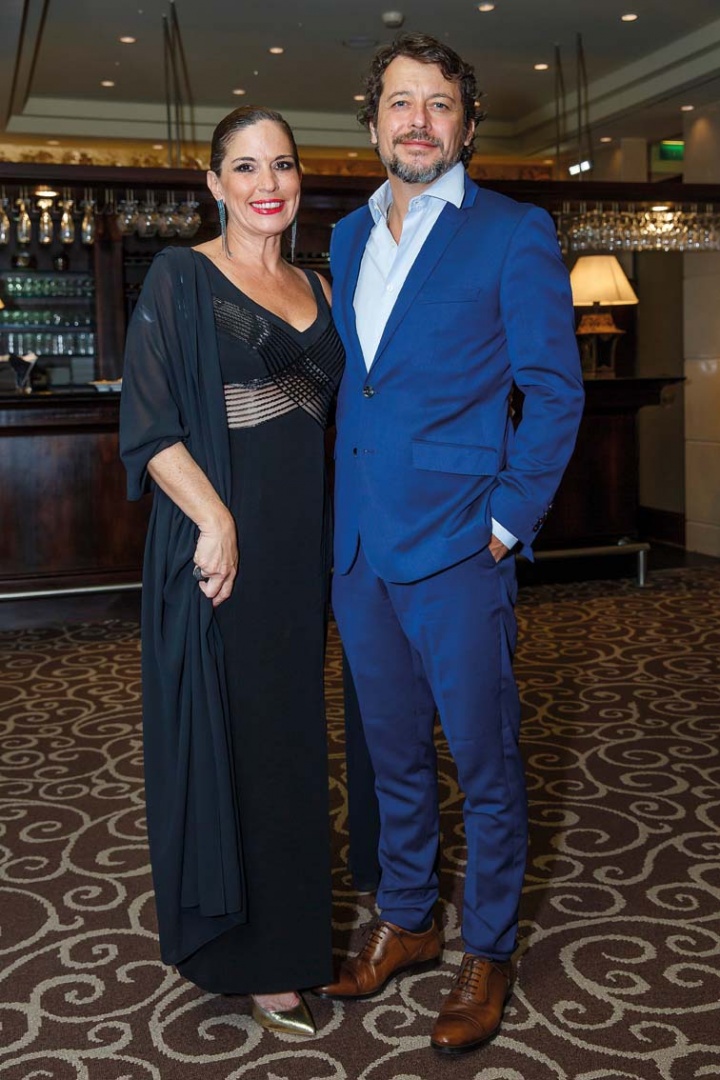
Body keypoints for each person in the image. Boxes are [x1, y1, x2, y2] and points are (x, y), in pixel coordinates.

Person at [315, 33, 585, 1054]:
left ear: (466, 125)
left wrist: (506, 524)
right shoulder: (345, 238)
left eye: (438, 103)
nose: (417, 120)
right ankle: (410, 918)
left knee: (485, 759)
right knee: (390, 754)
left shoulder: (514, 233)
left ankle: (490, 947)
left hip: (462, 547)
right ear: (373, 123)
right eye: (399, 102)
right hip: (360, 550)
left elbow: (554, 391)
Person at [119, 105, 344, 1038]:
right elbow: (149, 425)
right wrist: (215, 520)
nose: (266, 184)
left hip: (301, 554)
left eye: (281, 165)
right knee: (233, 742)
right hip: (218, 554)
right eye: (245, 167)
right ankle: (246, 956)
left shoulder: (323, 284)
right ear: (213, 184)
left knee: (291, 744)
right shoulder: (181, 277)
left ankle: (293, 937)